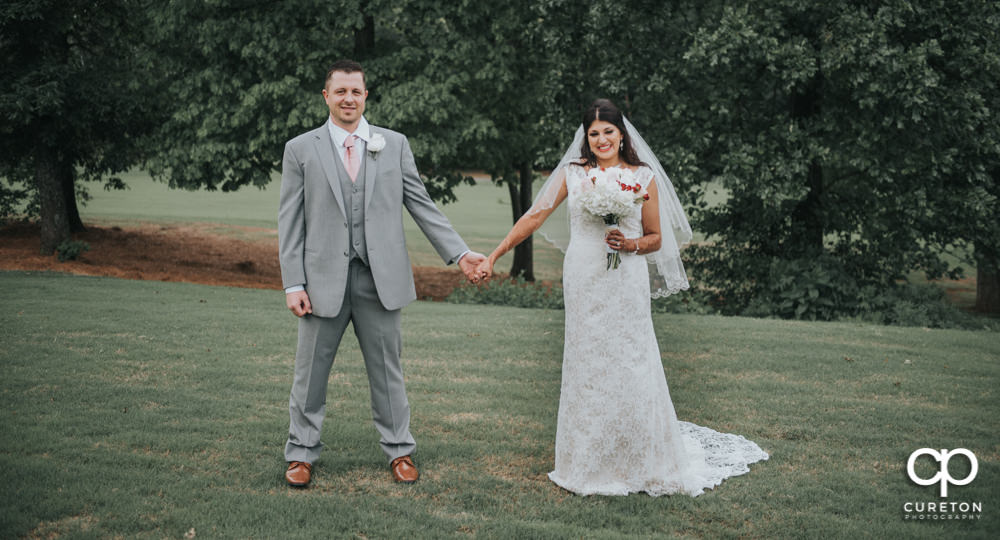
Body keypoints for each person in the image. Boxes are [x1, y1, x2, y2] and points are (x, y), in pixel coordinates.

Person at [475, 99, 768, 496]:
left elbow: (655, 239)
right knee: (587, 361)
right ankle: (587, 462)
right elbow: (534, 215)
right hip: (583, 275)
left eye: (607, 132)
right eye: (593, 133)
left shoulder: (642, 176)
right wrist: (495, 254)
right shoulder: (573, 174)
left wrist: (629, 243)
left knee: (631, 359)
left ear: (621, 134)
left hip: (625, 277)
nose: (601, 140)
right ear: (586, 138)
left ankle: (639, 459)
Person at [277, 59, 486, 487]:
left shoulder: (393, 144)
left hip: (381, 279)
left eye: (356, 91)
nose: (349, 99)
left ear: (366, 95)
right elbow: (290, 221)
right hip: (321, 282)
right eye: (340, 92)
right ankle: (301, 454)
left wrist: (460, 253)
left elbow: (421, 203)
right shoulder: (300, 148)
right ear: (326, 96)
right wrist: (293, 282)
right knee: (309, 373)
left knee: (388, 372)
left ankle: (400, 451)